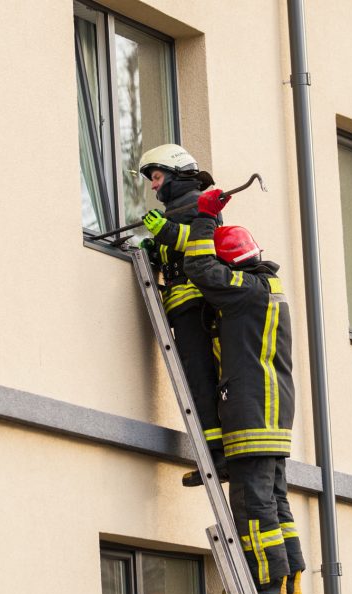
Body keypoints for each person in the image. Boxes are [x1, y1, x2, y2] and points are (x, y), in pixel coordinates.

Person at [181, 187, 306, 594]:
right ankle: (289, 580)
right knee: (274, 499)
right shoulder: (269, 288)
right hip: (274, 409)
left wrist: (202, 219)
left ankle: (265, 583)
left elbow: (199, 268)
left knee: (253, 503)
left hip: (250, 409)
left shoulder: (244, 290)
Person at [135, 144, 226, 487]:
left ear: (174, 173)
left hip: (197, 306)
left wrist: (165, 233)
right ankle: (212, 453)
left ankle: (216, 456)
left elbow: (206, 242)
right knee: (195, 382)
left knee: (202, 381)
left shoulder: (202, 206)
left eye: (156, 177)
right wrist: (154, 249)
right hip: (182, 306)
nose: (154, 186)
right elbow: (173, 248)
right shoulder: (178, 210)